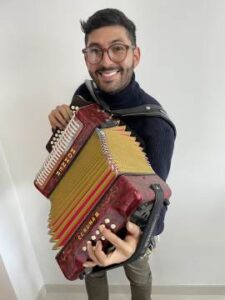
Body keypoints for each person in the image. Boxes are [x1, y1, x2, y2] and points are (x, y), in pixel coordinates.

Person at [48, 8, 176, 300]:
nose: (106, 61)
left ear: (135, 55)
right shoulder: (83, 95)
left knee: (138, 273)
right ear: (86, 58)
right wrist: (59, 126)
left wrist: (137, 244)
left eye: (117, 49)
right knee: (92, 271)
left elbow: (158, 199)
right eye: (95, 51)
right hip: (84, 214)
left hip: (134, 230)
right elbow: (67, 156)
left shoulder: (155, 126)